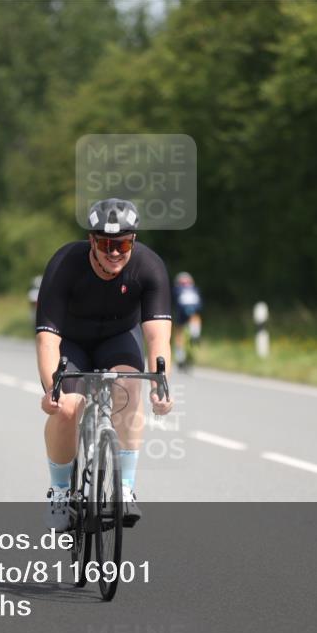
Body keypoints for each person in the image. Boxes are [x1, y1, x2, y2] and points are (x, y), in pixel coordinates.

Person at [35, 198, 174, 531]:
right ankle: (60, 491)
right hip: (71, 341)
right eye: (107, 244)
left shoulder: (149, 267)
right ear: (92, 241)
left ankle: (124, 488)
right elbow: (47, 340)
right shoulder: (66, 264)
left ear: (134, 242)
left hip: (117, 339)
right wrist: (50, 390)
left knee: (129, 387)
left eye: (123, 243)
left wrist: (162, 385)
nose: (115, 253)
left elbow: (158, 339)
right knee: (68, 407)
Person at [172, 271, 203, 369]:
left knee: (179, 335)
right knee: (195, 317)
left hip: (181, 314)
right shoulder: (195, 289)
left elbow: (174, 301)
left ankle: (180, 357)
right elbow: (200, 304)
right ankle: (195, 333)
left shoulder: (176, 289)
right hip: (192, 313)